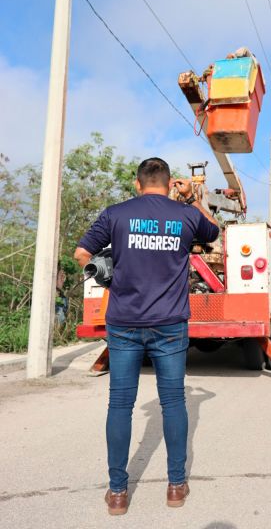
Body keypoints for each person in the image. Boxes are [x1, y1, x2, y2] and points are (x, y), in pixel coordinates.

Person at [74, 157, 219, 516]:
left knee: (119, 405)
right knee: (174, 403)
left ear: (137, 184)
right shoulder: (186, 216)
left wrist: (108, 271)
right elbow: (214, 233)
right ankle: (175, 487)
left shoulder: (116, 214)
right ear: (170, 184)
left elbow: (81, 254)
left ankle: (119, 493)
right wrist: (193, 199)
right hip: (170, 324)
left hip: (123, 323)